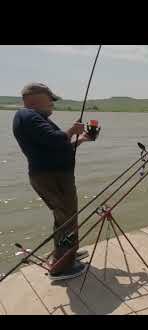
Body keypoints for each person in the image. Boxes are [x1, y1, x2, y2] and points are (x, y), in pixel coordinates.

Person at [12, 83, 93, 280]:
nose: (52, 105)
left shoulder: (33, 119)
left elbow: (56, 146)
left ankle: (66, 253)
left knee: (63, 218)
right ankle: (61, 268)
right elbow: (56, 140)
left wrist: (81, 138)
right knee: (67, 220)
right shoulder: (28, 116)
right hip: (53, 178)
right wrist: (72, 129)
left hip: (52, 177)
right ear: (36, 98)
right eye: (50, 100)